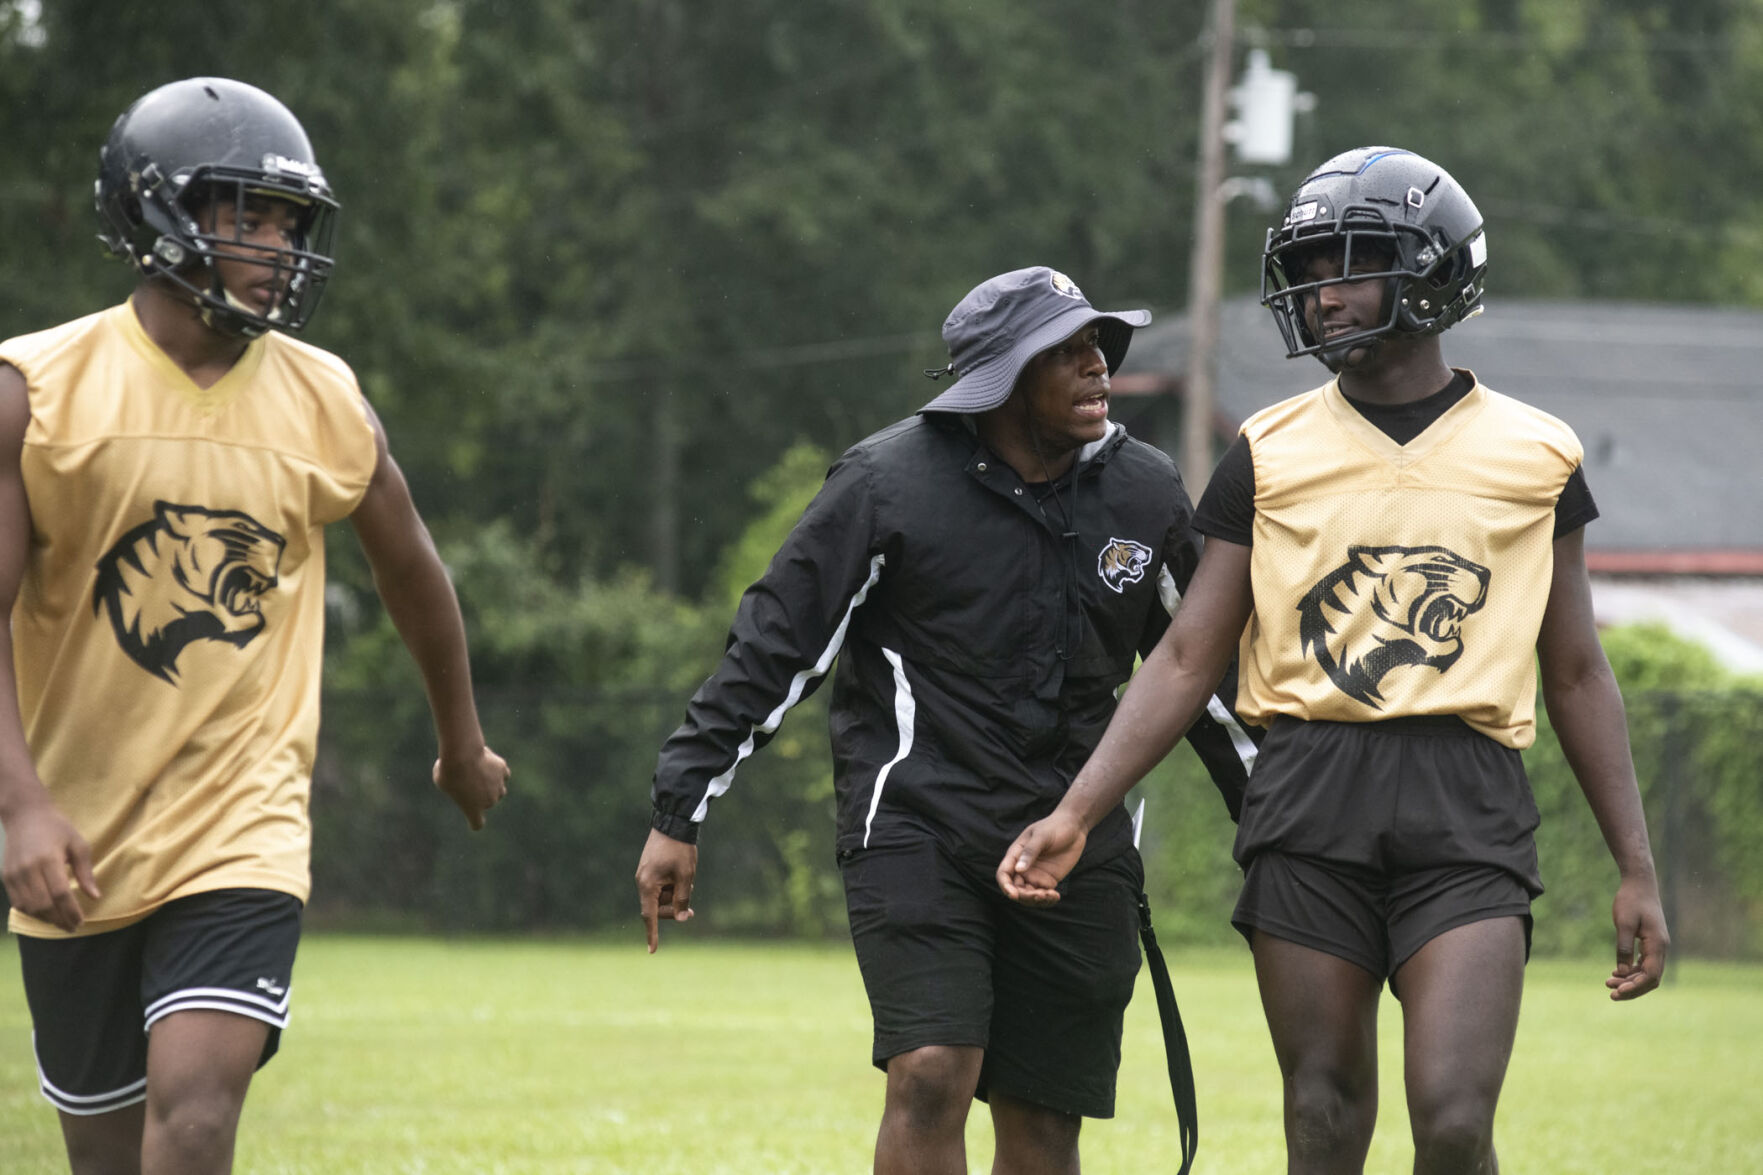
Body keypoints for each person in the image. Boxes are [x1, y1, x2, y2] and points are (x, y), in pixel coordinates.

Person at [998, 147, 1670, 1174]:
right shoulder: (1264, 449)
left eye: (1350, 264)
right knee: (1319, 1113)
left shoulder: (1537, 453)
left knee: (1450, 1118)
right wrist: (1075, 811)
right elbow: (1185, 654)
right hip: (1307, 793)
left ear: (1434, 269)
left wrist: (1634, 864)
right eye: (1309, 268)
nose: (1321, 295)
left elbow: (1576, 670)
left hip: (1465, 799)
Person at [636, 266, 1257, 1174]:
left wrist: (1277, 832)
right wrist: (677, 808)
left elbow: (1204, 678)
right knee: (930, 1071)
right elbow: (773, 650)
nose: (1099, 367)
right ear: (1002, 381)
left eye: (1100, 346)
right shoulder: (885, 485)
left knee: (1044, 1113)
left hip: (1076, 841)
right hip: (915, 824)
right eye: (1070, 352)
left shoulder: (1145, 491)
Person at [0, 77, 510, 1175]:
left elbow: (413, 572)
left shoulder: (325, 396)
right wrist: (23, 806)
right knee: (107, 1153)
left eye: (290, 221)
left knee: (194, 1112)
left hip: (244, 822)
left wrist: (459, 740)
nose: (279, 243)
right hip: (76, 831)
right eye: (248, 213)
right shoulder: (34, 391)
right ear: (157, 214)